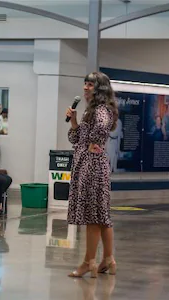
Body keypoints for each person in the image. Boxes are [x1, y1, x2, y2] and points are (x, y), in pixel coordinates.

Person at [66, 71, 118, 278]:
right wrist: (74, 121)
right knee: (102, 216)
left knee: (92, 216)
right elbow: (76, 137)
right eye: (85, 84)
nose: (86, 88)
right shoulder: (92, 110)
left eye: (90, 84)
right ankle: (108, 259)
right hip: (89, 164)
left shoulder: (101, 110)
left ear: (100, 89)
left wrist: (92, 143)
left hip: (92, 166)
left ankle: (89, 262)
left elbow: (101, 127)